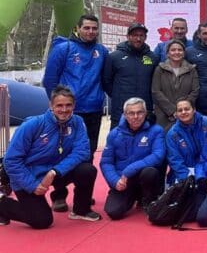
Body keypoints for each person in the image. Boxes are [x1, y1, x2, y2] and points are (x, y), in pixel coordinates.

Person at [0, 86, 101, 228]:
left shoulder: (77, 122)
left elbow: (82, 152)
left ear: (74, 105)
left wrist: (54, 172)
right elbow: (11, 161)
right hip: (29, 175)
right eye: (59, 105)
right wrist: (32, 185)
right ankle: (2, 205)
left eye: (68, 105)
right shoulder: (32, 125)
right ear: (51, 105)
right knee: (42, 221)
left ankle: (81, 210)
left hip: (55, 172)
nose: (64, 109)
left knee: (87, 170)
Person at [43, 13, 108, 164]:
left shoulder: (102, 51)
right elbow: (50, 79)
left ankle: (85, 179)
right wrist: (56, 104)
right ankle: (60, 179)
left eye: (94, 28)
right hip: (69, 110)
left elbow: (106, 78)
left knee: (89, 152)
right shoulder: (63, 49)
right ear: (78, 28)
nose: (90, 31)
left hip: (94, 110)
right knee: (63, 151)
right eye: (86, 28)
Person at [100, 97, 165, 220]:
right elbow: (106, 162)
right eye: (131, 113)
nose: (136, 116)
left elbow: (158, 156)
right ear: (125, 115)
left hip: (143, 176)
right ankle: (131, 196)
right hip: (123, 180)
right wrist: (115, 181)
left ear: (145, 113)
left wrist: (129, 170)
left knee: (150, 172)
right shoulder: (114, 134)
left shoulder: (157, 131)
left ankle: (148, 199)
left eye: (140, 112)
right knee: (113, 212)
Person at [102, 22, 159, 128]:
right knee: (119, 137)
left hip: (144, 110)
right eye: (135, 35)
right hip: (120, 111)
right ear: (128, 36)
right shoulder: (114, 57)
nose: (138, 38)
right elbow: (106, 81)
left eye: (141, 35)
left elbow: (155, 83)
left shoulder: (153, 58)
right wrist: (118, 96)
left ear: (145, 37)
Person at [151, 39, 200, 130]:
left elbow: (195, 91)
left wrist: (183, 109)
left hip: (186, 115)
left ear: (184, 53)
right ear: (167, 53)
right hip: (163, 115)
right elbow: (156, 91)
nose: (176, 52)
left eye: (179, 50)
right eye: (173, 50)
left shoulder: (192, 70)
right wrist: (173, 111)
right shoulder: (159, 69)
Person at [165, 99, 207, 186]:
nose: (183, 112)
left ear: (194, 110)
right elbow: (175, 160)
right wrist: (188, 180)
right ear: (176, 114)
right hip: (185, 173)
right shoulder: (172, 134)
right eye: (180, 110)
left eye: (187, 109)